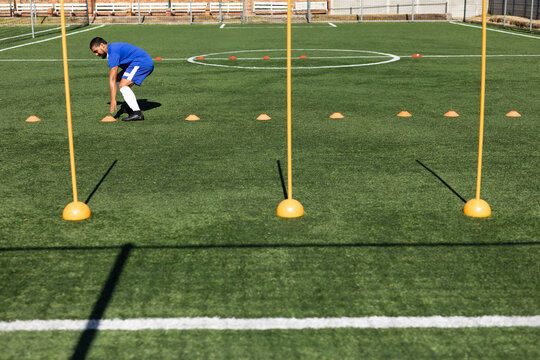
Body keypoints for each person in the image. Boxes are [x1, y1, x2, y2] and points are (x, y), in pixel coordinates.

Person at [90, 37, 154, 121]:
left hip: (142, 63)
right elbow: (114, 78)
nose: (96, 54)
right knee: (118, 79)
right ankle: (130, 107)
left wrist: (113, 99)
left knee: (123, 85)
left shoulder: (112, 52)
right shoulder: (112, 49)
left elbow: (111, 78)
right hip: (136, 63)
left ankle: (137, 113)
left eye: (96, 51)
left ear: (102, 45)